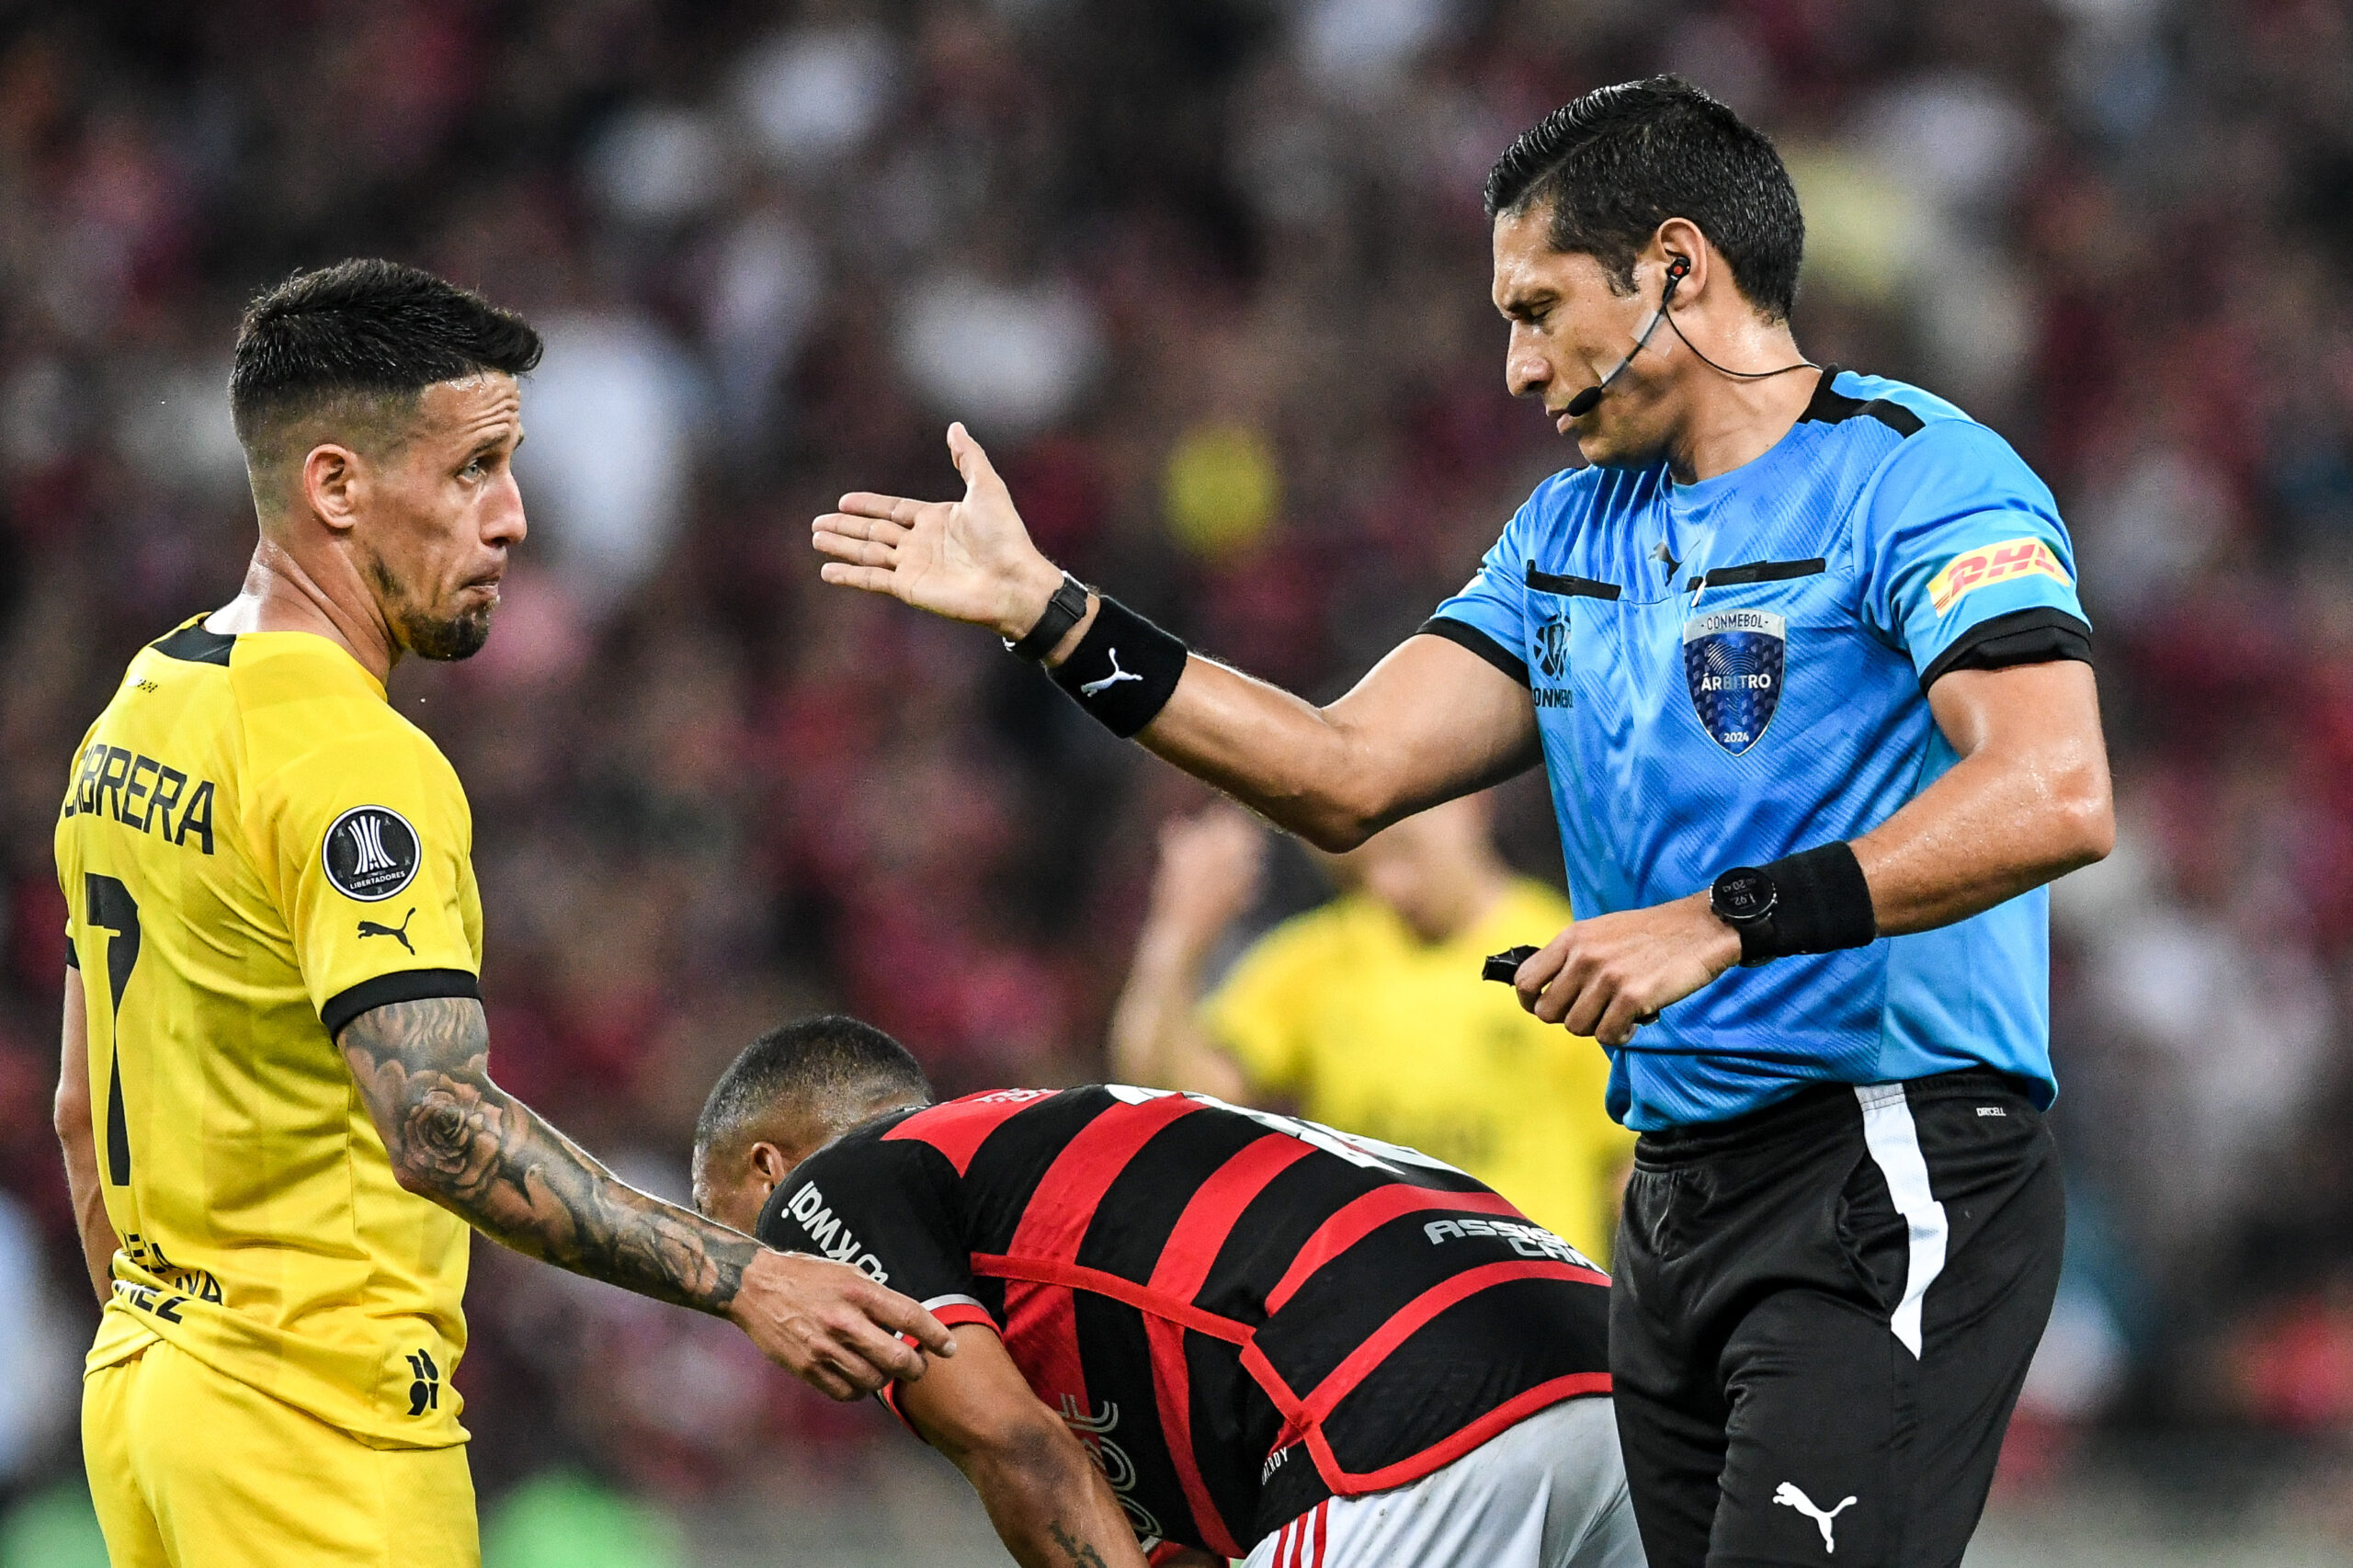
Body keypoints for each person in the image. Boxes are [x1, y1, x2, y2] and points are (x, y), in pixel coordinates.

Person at [809, 76, 2113, 1568]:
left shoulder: (1919, 475)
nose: (1516, 367)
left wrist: (1724, 919)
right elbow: (1341, 768)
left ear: (1675, 269)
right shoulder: (1567, 535)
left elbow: (2056, 790)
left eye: (1538, 308)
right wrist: (1056, 615)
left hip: (1884, 1152)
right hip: (1673, 1199)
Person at [51, 259, 953, 1568]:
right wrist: (747, 1275)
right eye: (472, 468)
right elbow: (435, 1123)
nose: (514, 516)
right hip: (321, 1428)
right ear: (337, 486)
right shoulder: (354, 761)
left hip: (151, 1401)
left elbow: (82, 1113)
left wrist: (172, 1348)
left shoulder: (144, 704)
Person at [692, 1015, 1643, 1568]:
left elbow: (1021, 1449)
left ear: (770, 1166)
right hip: (1614, 1374)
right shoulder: (1051, 1168)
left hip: (1399, 1407)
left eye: (722, 1217)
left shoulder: (835, 1184)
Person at [1110, 795, 1632, 1263]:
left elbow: (1626, 1171)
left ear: (1469, 805)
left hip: (1532, 1308)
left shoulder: (1561, 961)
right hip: (1375, 1313)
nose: (1386, 885)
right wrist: (1176, 939)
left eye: (1404, 851)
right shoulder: (1322, 959)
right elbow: (1167, 1095)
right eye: (1363, 867)